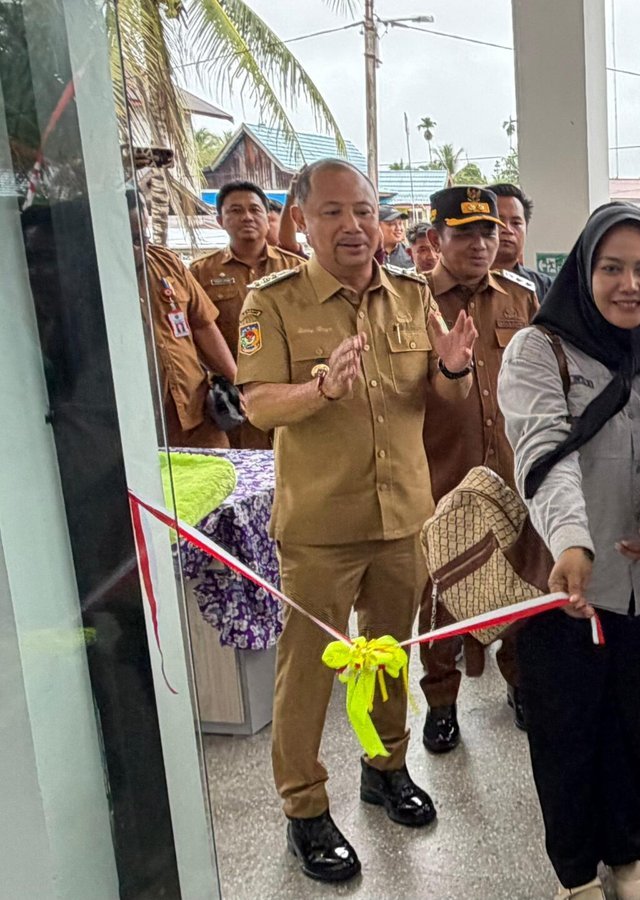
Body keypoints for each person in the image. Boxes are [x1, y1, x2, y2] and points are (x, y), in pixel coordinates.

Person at [237, 158, 478, 882]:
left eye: (365, 212)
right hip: (319, 523)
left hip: (402, 514)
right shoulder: (272, 302)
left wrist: (455, 370)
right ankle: (305, 807)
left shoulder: (411, 293)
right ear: (303, 221)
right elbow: (255, 404)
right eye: (334, 213)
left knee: (387, 650)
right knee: (308, 669)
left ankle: (386, 767)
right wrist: (319, 387)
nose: (353, 226)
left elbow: (441, 396)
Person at [500, 203, 640, 900]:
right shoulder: (538, 350)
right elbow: (542, 455)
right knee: (564, 733)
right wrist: (572, 543)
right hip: (567, 586)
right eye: (611, 268)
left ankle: (625, 850)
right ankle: (575, 872)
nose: (630, 284)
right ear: (583, 272)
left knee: (633, 725)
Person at [414, 186, 542, 755]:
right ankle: (441, 702)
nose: (481, 243)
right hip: (442, 471)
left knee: (517, 581)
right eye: (464, 232)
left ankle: (521, 685)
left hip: (510, 470)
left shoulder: (520, 298)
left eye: (488, 231)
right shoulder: (411, 302)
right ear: (436, 238)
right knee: (442, 591)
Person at [189, 179, 302, 449]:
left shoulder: (297, 269)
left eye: (254, 209)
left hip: (288, 394)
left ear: (266, 216)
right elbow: (196, 333)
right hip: (232, 401)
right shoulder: (200, 273)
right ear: (220, 220)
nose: (247, 217)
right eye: (235, 211)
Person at [132, 192, 237, 449]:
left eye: (143, 236)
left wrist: (236, 380)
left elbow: (203, 324)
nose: (141, 246)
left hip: (195, 412)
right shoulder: (89, 278)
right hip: (139, 419)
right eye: (133, 240)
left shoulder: (166, 263)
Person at [490, 181, 555, 299]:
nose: (507, 229)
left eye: (516, 223)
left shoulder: (545, 288)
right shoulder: (463, 285)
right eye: (498, 222)